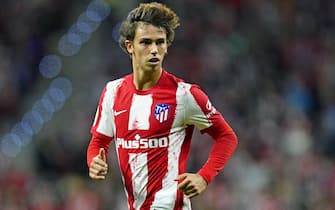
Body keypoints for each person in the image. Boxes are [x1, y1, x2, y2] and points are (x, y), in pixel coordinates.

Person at [86, 2, 238, 210]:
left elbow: (226, 136)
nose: (154, 50)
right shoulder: (113, 92)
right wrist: (94, 162)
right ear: (130, 46)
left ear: (167, 46)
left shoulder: (184, 95)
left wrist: (204, 177)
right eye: (146, 43)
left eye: (160, 42)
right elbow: (99, 142)